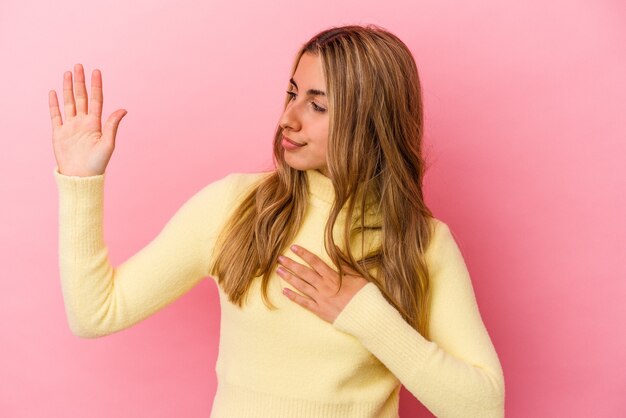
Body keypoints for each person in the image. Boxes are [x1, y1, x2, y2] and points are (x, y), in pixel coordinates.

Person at [49, 24, 505, 418]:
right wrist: (79, 182)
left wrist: (364, 313)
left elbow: (483, 407)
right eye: (292, 93)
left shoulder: (422, 242)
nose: (287, 118)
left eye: (317, 105)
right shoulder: (234, 205)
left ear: (368, 120)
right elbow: (95, 314)